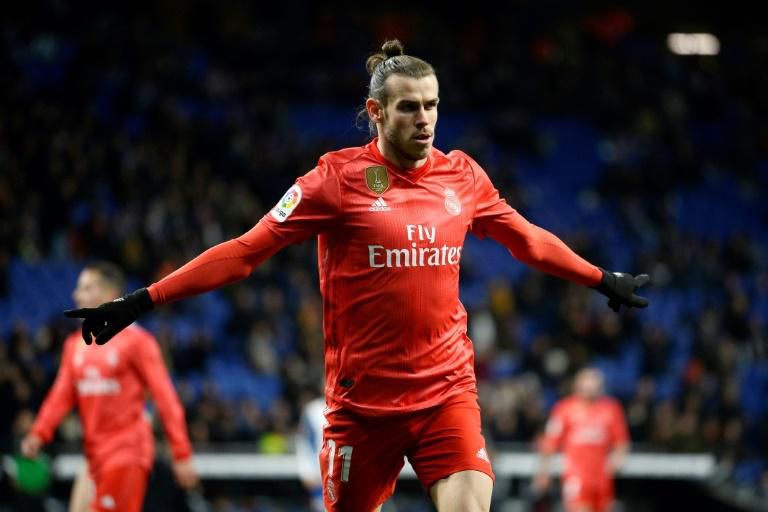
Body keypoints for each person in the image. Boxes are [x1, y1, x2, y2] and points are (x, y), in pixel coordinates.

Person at [64, 40, 649, 512]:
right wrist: (143, 299)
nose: (425, 120)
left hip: (446, 392)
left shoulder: (462, 177)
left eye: (432, 105)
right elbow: (244, 252)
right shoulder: (333, 180)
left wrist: (601, 278)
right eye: (408, 107)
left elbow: (527, 239)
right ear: (376, 112)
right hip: (361, 408)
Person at [21, 262, 199, 512]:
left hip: (127, 452)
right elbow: (61, 394)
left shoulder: (138, 343)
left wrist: (181, 452)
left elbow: (165, 397)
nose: (76, 295)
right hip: (93, 456)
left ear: (107, 293)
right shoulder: (75, 345)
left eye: (85, 288)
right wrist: (39, 433)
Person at [533, 368, 630, 512]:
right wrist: (543, 471)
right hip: (576, 475)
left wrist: (619, 456)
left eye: (594, 384)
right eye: (586, 384)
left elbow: (621, 440)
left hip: (602, 476)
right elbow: (550, 441)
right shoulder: (564, 409)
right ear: (577, 386)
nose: (590, 388)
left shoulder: (611, 409)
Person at [296, 393, 327, 512]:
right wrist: (306, 471)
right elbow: (303, 441)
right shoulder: (312, 410)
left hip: (348, 477)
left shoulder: (354, 407)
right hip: (319, 477)